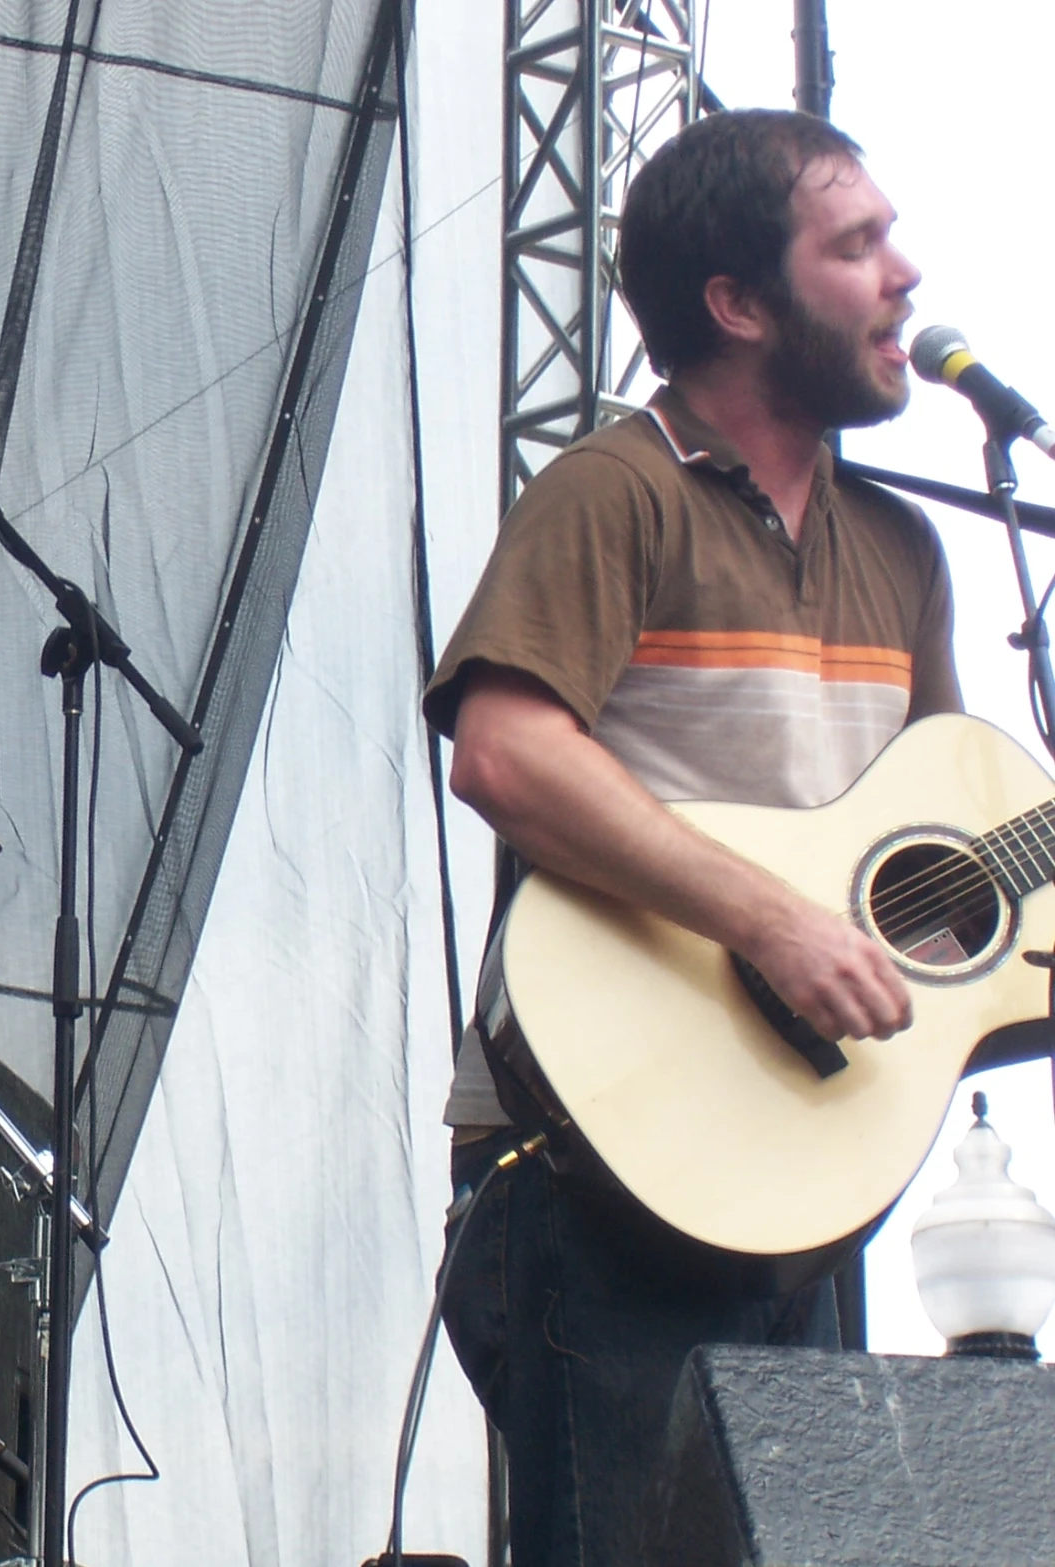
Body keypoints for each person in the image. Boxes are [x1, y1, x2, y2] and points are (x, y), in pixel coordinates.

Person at [423, 110, 956, 1566]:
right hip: (600, 1169)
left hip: (801, 1163)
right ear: (737, 303)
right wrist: (772, 920)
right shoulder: (617, 491)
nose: (906, 274)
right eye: (857, 244)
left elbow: (943, 873)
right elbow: (507, 751)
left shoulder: (902, 551)